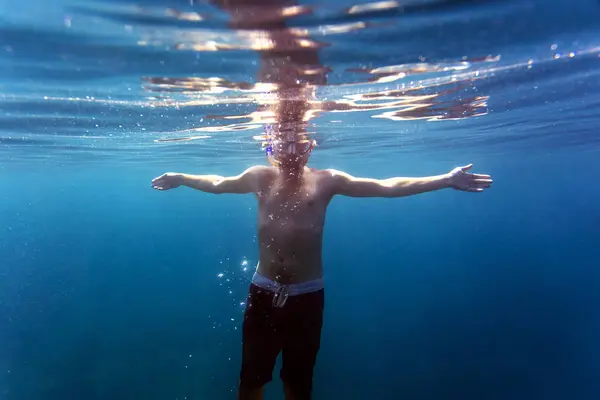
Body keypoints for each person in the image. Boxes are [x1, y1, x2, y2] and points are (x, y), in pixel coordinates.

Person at [151, 133, 493, 400]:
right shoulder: (259, 178)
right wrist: (181, 177)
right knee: (251, 377)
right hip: (264, 292)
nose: (290, 152)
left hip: (307, 297)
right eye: (282, 145)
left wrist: (445, 180)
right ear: (270, 146)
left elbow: (386, 187)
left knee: (299, 381)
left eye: (298, 145)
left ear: (310, 147)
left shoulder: (328, 181)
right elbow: (217, 183)